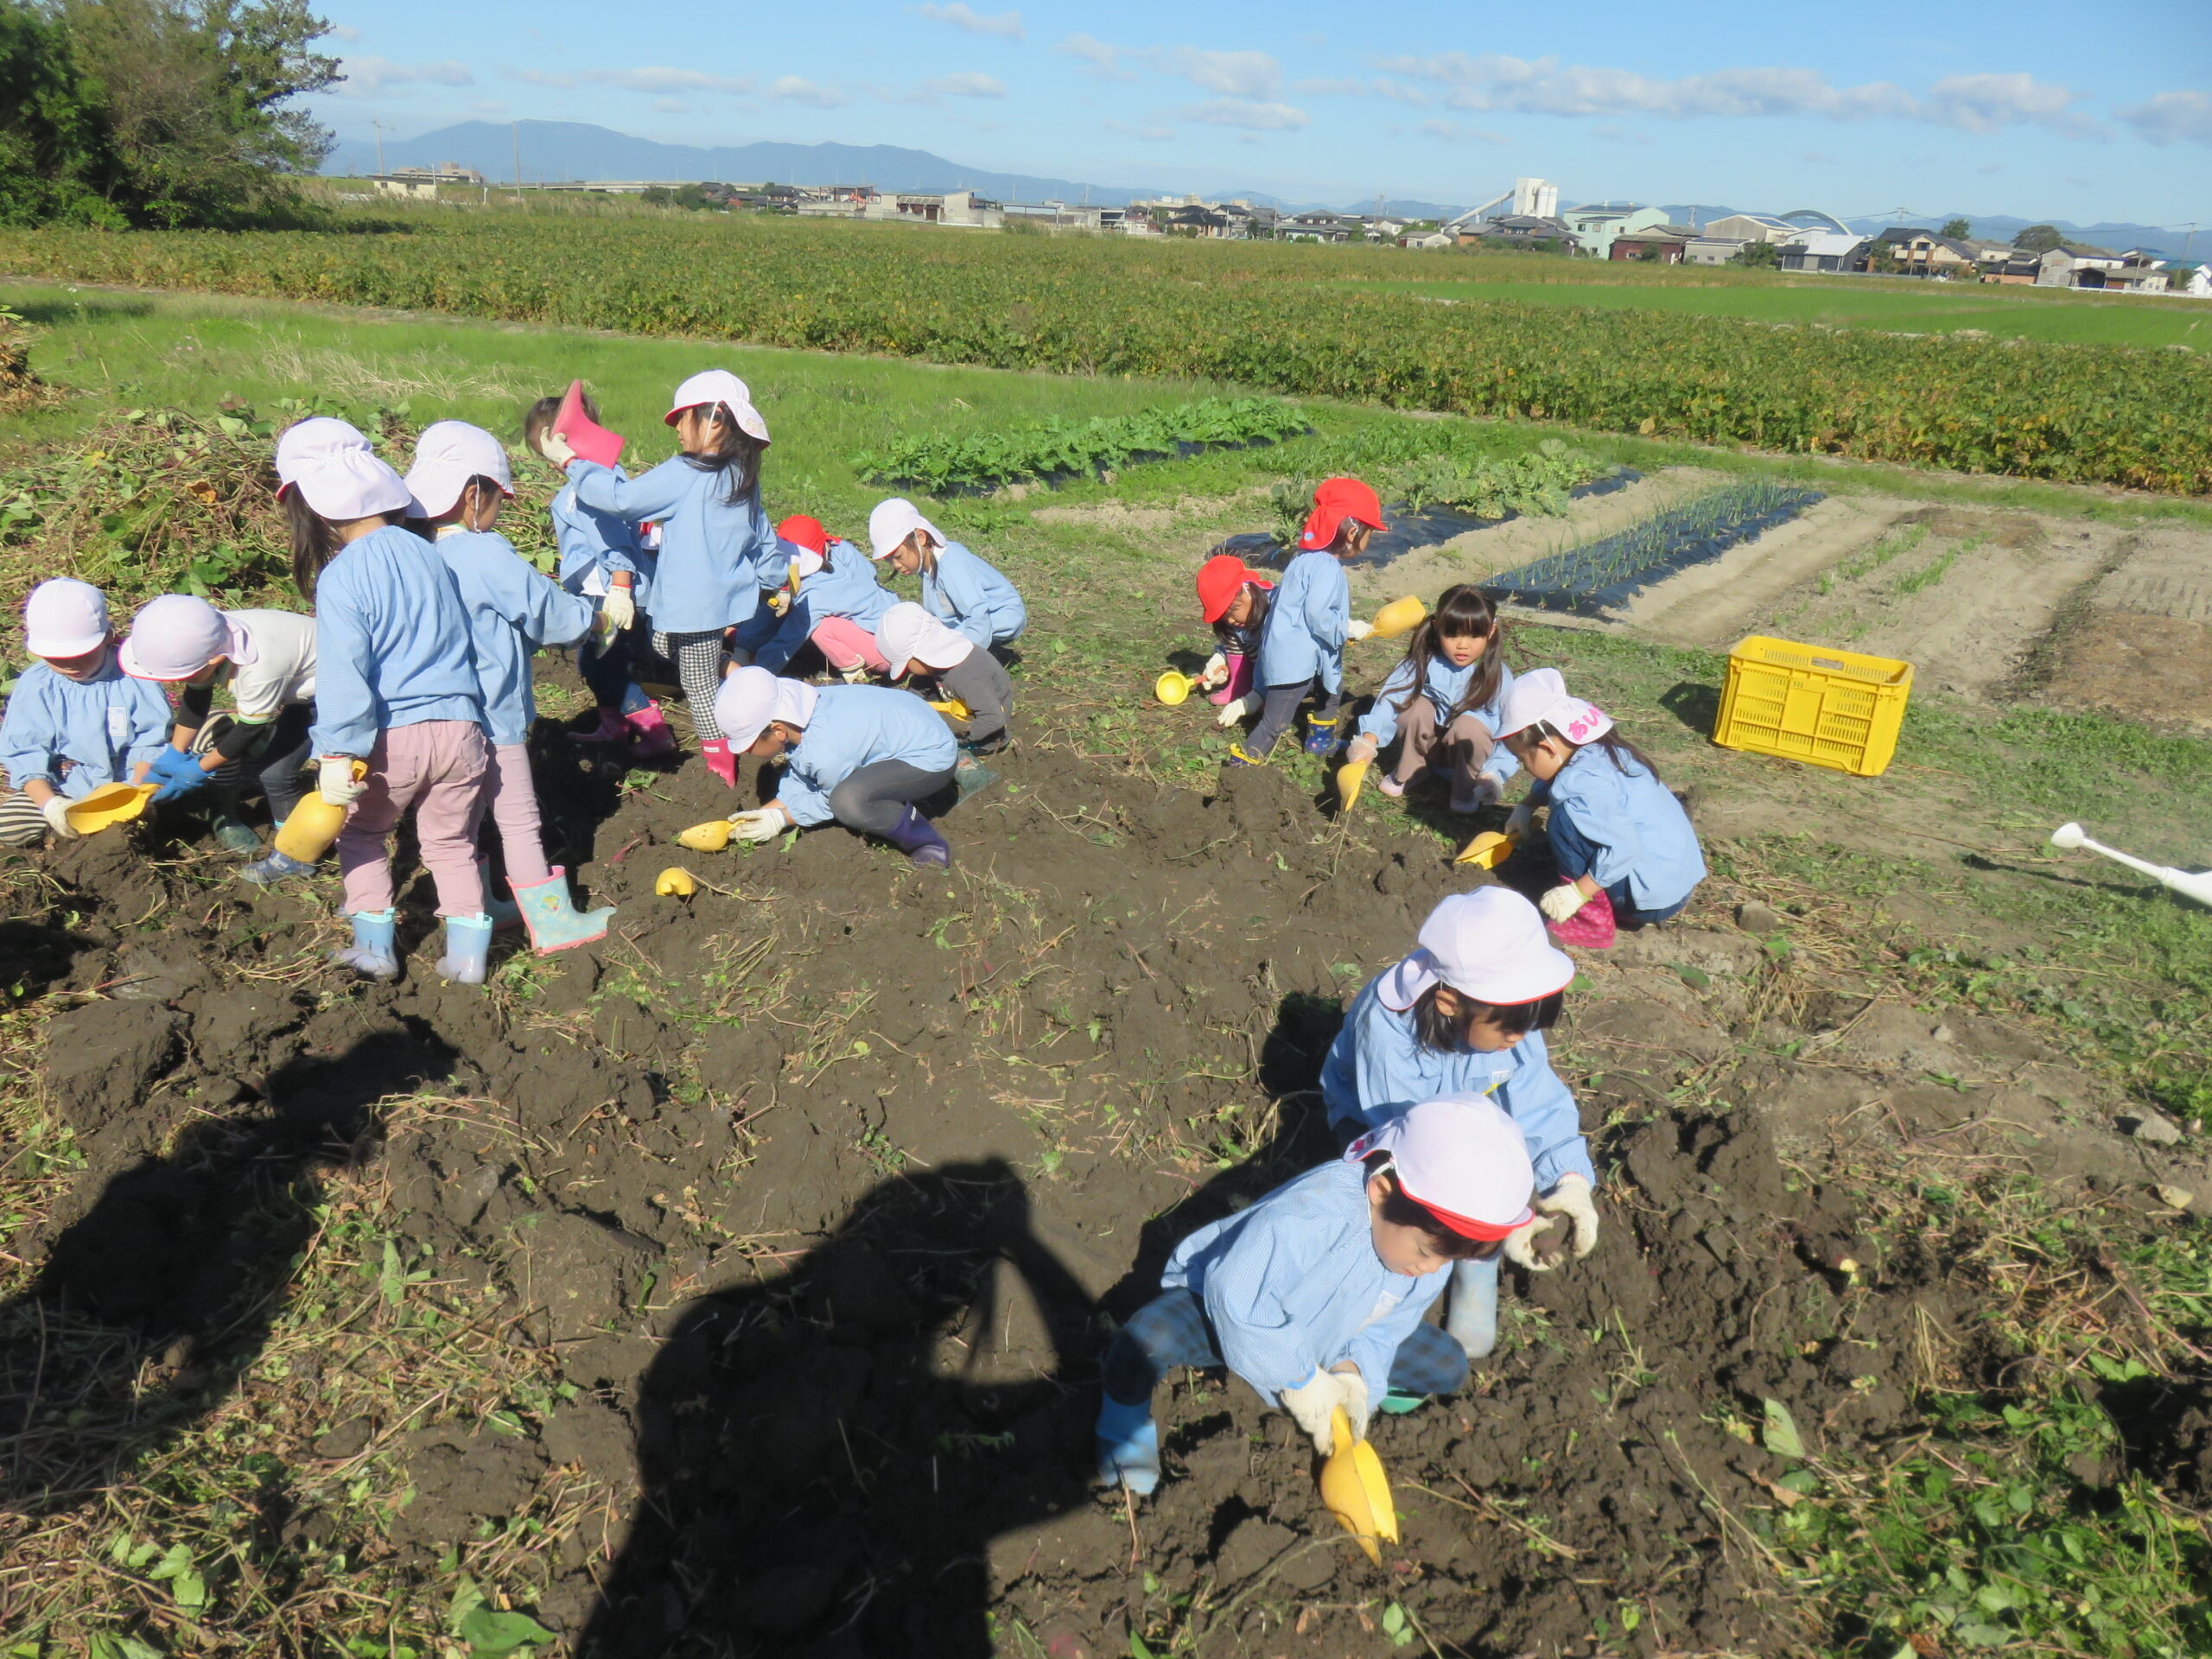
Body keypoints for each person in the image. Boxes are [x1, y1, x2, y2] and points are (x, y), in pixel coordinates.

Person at [1096, 1096, 1535, 1496]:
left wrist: (1352, 1372)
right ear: (1382, 1192)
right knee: (1147, 1340)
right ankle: (1123, 1433)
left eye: (1447, 1261)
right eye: (1424, 1252)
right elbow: (1236, 1294)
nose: (1431, 1270)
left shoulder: (1425, 1258)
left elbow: (1386, 1329)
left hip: (1326, 1336)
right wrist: (1301, 1378)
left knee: (1447, 1364)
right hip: (1228, 1318)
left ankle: (1347, 1408)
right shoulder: (1316, 1212)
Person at [259, 416, 494, 985]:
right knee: (450, 841)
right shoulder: (430, 555)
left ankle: (374, 950)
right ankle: (467, 963)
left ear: (312, 508)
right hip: (462, 728)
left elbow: (346, 676)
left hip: (396, 736)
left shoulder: (342, 577)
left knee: (362, 832)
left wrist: (337, 752)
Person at [1318, 889, 1599, 1356]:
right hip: (1384, 1127)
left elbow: (1538, 1100)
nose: (1520, 1039)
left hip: (1466, 1120)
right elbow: (1409, 1142)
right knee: (1388, 1206)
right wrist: (1495, 1218)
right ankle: (1413, 1274)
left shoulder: (1508, 1018)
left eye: (1527, 1028)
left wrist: (1568, 1181)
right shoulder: (1388, 1029)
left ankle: (1475, 1263)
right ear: (1449, 1003)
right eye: (1511, 1029)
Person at [406, 420, 616, 954]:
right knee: (518, 816)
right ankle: (552, 924)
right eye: (498, 496)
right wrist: (593, 619)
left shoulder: (412, 553)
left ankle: (482, 906)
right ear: (473, 494)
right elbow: (545, 613)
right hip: (493, 713)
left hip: (435, 719)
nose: (500, 507)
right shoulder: (484, 552)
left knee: (464, 816)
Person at [538, 371, 782, 787]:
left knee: (696, 685)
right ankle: (731, 673)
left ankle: (719, 757)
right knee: (663, 644)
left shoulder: (687, 471)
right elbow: (760, 532)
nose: (677, 434)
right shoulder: (740, 472)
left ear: (714, 421)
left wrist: (571, 463)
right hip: (722, 598)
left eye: (682, 421)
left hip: (696, 603)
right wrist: (774, 577)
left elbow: (622, 501)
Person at [1497, 668, 1706, 949]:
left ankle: (1590, 923)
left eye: (1523, 760)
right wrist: (1527, 805)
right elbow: (1560, 773)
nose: (1524, 768)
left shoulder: (1581, 789)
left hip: (1647, 902)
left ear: (1547, 748)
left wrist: (1577, 894)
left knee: (1564, 820)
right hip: (1676, 885)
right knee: (1571, 811)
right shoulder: (1604, 752)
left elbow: (1625, 848)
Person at [523, 391, 671, 760]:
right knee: (603, 662)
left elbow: (613, 537)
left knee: (600, 665)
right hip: (602, 588)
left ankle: (655, 733)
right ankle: (613, 726)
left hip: (608, 592)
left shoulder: (591, 484)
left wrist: (620, 587)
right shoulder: (590, 477)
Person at [119, 594, 318, 854]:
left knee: (276, 775)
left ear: (214, 660)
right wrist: (175, 754)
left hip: (335, 695)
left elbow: (249, 728)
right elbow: (197, 696)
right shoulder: (207, 637)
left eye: (183, 675)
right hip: (297, 686)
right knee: (271, 761)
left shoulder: (259, 667)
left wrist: (198, 769)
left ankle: (295, 852)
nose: (179, 682)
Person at [709, 664, 959, 868]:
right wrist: (769, 811)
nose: (744, 751)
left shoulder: (828, 747)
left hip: (931, 756)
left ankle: (927, 844)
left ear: (777, 731)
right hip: (911, 722)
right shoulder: (799, 711)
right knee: (843, 784)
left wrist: (781, 818)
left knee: (848, 801)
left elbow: (828, 795)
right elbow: (803, 769)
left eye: (747, 744)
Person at [1225, 476, 1386, 766]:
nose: (1368, 539)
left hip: (1296, 652)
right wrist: (1346, 628)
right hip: (1294, 663)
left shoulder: (1303, 559)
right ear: (1352, 532)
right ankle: (1243, 764)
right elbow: (1317, 615)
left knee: (1332, 690)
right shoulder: (1327, 568)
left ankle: (1319, 740)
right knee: (1275, 722)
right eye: (1369, 532)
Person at [0, 580, 171, 847]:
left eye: (80, 654)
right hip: (69, 783)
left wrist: (136, 791)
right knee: (11, 826)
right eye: (57, 658)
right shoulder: (37, 686)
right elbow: (26, 752)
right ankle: (70, 827)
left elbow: (151, 742)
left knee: (199, 759)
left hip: (131, 780)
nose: (70, 665)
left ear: (108, 637)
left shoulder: (136, 677)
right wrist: (51, 805)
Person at [1342, 583, 1518, 814]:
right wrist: (1368, 739)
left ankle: (1465, 789)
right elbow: (1391, 698)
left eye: (1474, 635)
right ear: (1437, 628)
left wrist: (1495, 773)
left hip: (1465, 757)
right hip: (1430, 747)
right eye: (1452, 634)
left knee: (1471, 727)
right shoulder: (1423, 661)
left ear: (1491, 632)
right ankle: (1411, 770)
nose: (1462, 645)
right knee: (1413, 708)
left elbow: (1510, 729)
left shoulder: (1498, 676)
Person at [747, 514, 899, 681]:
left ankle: (854, 671)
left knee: (821, 628)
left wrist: (758, 670)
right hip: (897, 625)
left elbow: (788, 640)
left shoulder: (815, 596)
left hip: (882, 654)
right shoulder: (843, 549)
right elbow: (871, 573)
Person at [867, 499, 1025, 654]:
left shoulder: (952, 565)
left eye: (899, 556)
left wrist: (956, 658)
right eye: (889, 560)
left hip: (999, 617)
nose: (896, 565)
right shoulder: (927, 562)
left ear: (920, 537)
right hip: (969, 620)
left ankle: (978, 650)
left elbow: (977, 615)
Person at [876, 601, 1014, 755]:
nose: (907, 671)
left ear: (921, 654)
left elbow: (993, 719)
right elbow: (917, 689)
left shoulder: (968, 675)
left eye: (906, 665)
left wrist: (954, 739)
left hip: (984, 738)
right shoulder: (939, 662)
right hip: (959, 709)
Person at [1192, 551, 1273, 709]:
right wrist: (1221, 657)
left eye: (1233, 609)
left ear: (1248, 589)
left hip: (1282, 668)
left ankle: (1263, 691)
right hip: (1256, 661)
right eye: (1223, 615)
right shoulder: (1236, 622)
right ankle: (1240, 684)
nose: (1229, 619)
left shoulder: (1275, 608)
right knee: (1233, 633)